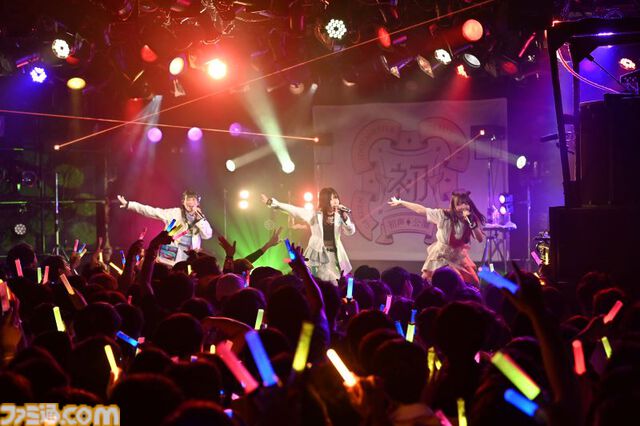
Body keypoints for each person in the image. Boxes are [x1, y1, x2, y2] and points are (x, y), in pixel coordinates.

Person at [388, 191, 485, 286]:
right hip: (442, 255)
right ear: (454, 206)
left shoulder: (471, 220)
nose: (463, 207)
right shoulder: (443, 216)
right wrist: (402, 202)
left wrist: (472, 224)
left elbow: (480, 239)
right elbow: (421, 210)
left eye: (466, 203)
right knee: (450, 279)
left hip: (457, 257)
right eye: (459, 204)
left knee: (474, 281)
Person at [261, 188, 355, 283]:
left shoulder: (340, 216)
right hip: (317, 254)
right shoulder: (314, 215)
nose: (336, 201)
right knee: (316, 281)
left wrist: (345, 218)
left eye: (336, 197)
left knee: (337, 281)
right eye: (332, 198)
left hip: (335, 254)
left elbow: (350, 232)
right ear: (325, 201)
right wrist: (272, 203)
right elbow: (293, 210)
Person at [117, 191, 213, 263]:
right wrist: (129, 205)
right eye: (188, 199)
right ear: (183, 202)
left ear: (198, 203)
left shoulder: (200, 218)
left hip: (189, 257)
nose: (191, 202)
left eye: (193, 200)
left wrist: (200, 220)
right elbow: (152, 211)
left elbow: (207, 235)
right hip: (169, 254)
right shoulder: (175, 213)